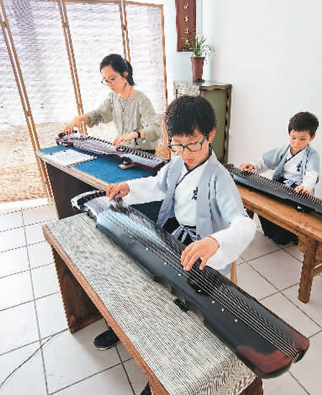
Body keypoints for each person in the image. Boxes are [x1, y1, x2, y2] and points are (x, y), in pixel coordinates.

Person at [96, 96, 256, 394]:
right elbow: (158, 184)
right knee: (145, 286)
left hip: (202, 253)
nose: (185, 153)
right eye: (177, 145)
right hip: (175, 239)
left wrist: (215, 241)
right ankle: (125, 330)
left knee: (181, 317)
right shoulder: (178, 163)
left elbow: (244, 224)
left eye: (192, 144)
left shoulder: (220, 178)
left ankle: (164, 376)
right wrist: (129, 187)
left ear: (210, 134)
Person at [240, 111, 320, 246]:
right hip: (280, 184)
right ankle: (271, 232)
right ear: (289, 134)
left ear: (312, 137)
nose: (296, 143)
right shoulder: (284, 149)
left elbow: (312, 173)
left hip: (298, 190)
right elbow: (266, 161)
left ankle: (291, 237)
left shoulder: (312, 155)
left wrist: (306, 186)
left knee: (286, 224)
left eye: (302, 139)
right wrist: (253, 165)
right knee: (263, 203)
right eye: (293, 138)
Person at [64, 53, 161, 150]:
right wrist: (79, 118)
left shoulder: (141, 100)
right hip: (122, 149)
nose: (109, 84)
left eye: (112, 79)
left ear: (125, 74)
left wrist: (135, 134)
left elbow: (155, 129)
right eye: (106, 81)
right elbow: (98, 115)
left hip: (143, 152)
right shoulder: (112, 98)